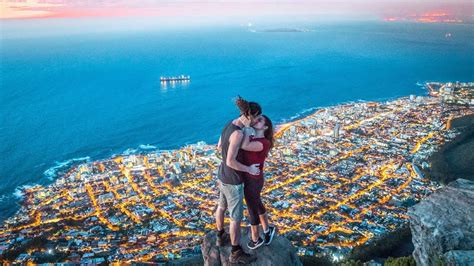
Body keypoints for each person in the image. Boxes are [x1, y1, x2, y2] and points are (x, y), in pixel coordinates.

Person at [215, 96, 261, 264]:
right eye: (256, 118)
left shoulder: (229, 124)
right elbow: (231, 161)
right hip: (233, 180)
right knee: (236, 218)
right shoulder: (238, 133)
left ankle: (220, 236)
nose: (256, 122)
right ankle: (235, 252)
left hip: (222, 174)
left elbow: (219, 146)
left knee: (221, 206)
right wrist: (249, 168)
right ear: (250, 115)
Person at [240, 114, 277, 249]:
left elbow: (244, 145)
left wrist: (246, 125)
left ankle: (256, 239)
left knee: (252, 208)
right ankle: (267, 230)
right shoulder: (255, 138)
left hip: (254, 179)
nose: (256, 120)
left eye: (260, 120)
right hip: (252, 177)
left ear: (265, 127)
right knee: (257, 203)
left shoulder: (263, 143)